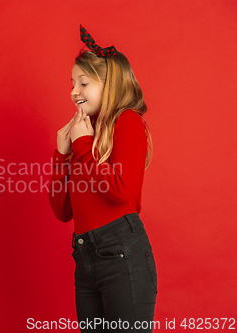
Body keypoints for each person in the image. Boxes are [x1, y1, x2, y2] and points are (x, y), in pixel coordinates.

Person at [49, 26, 157, 332]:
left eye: (83, 83)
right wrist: (61, 156)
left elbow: (121, 191)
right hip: (84, 258)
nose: (73, 91)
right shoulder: (85, 136)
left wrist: (82, 147)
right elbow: (62, 211)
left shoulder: (128, 122)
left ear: (109, 86)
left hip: (122, 254)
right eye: (72, 83)